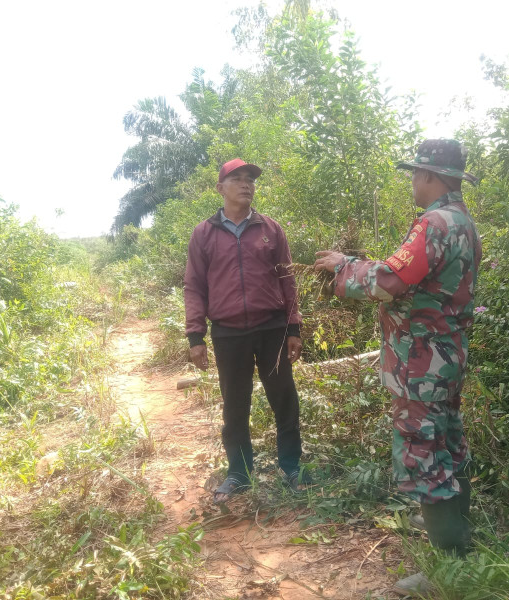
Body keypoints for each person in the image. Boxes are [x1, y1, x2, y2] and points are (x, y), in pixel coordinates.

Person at [314, 139, 482, 595]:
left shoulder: (433, 224)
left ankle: (449, 567)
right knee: (448, 444)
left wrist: (344, 266)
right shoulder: (465, 224)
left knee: (426, 454)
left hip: (420, 364)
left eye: (415, 174)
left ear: (430, 176)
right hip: (447, 361)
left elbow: (388, 280)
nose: (412, 182)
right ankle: (460, 541)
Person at [184, 158, 308, 504]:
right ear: (220, 188)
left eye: (250, 179)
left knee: (284, 398)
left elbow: (287, 279)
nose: (246, 184)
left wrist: (293, 327)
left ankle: (292, 466)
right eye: (237, 179)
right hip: (228, 333)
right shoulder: (204, 233)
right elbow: (194, 286)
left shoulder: (271, 228)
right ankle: (238, 472)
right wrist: (196, 336)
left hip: (272, 329)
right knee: (235, 405)